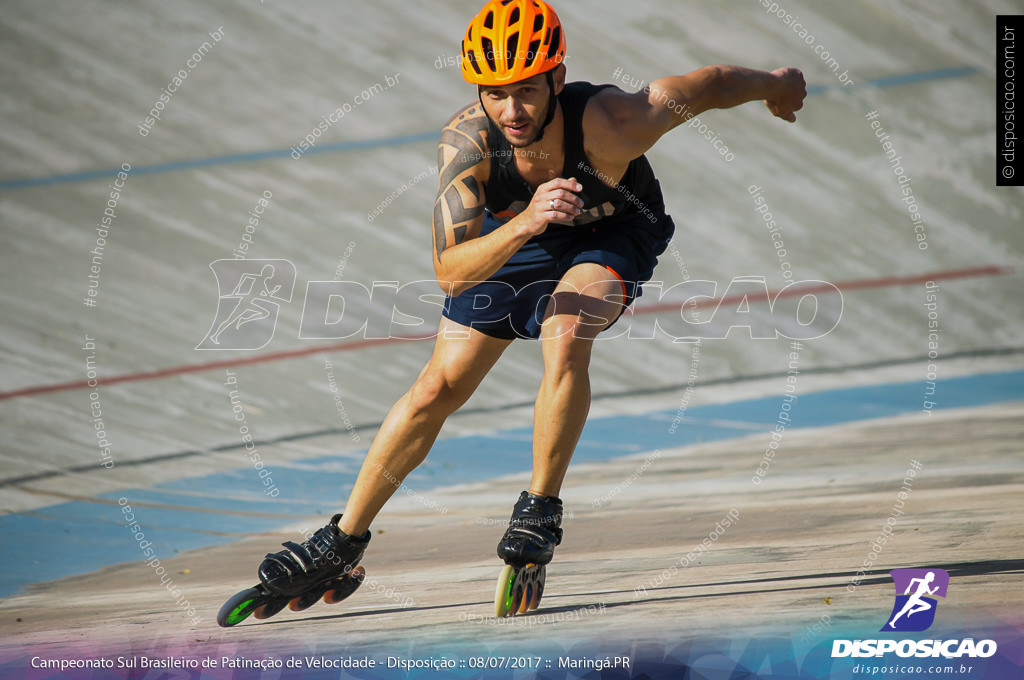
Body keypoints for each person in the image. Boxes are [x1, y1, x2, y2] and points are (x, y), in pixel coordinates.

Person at [246, 0, 806, 614]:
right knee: (437, 387)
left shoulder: (616, 120)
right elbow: (449, 272)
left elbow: (715, 85)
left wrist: (776, 85)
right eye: (495, 94)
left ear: (557, 80)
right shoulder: (467, 142)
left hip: (612, 233)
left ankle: (540, 509)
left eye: (528, 92)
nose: (512, 111)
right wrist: (526, 222)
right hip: (519, 234)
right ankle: (343, 540)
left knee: (565, 330)